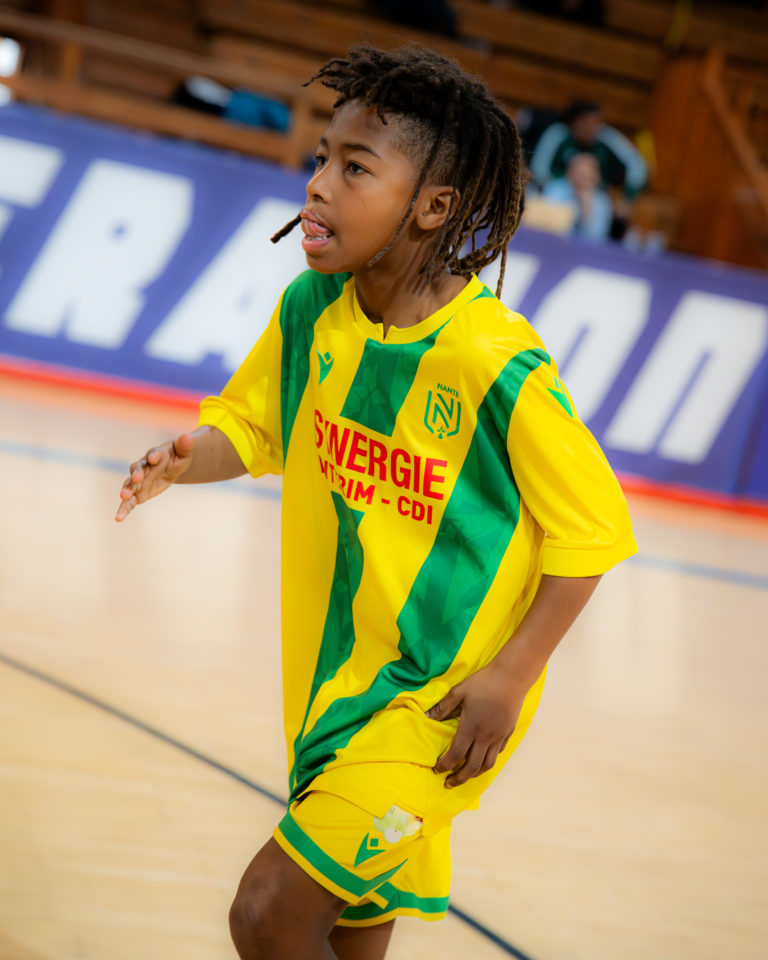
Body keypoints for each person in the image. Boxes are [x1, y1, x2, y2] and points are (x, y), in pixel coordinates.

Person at [115, 45, 637, 960]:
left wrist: (510, 678)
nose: (318, 184)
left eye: (355, 168)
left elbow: (593, 531)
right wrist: (190, 457)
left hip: (438, 709)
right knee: (349, 933)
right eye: (323, 157)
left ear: (433, 206)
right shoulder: (311, 308)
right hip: (334, 693)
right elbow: (258, 427)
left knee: (267, 912)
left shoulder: (491, 360)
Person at [530, 98, 648, 238]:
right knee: (549, 198)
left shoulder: (606, 137)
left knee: (598, 208)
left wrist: (627, 197)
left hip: (595, 192)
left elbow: (637, 166)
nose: (591, 128)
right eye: (585, 123)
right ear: (574, 122)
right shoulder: (559, 134)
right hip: (559, 187)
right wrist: (565, 183)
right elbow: (539, 168)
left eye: (596, 123)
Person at [542, 152, 613, 240]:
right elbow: (545, 221)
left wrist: (586, 207)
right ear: (569, 173)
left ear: (596, 177)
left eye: (587, 176)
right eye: (579, 173)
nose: (582, 179)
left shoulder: (602, 202)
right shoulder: (555, 189)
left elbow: (597, 237)